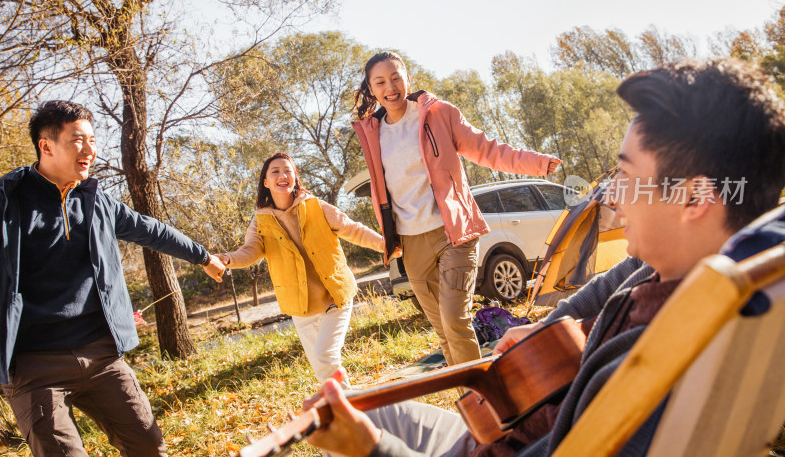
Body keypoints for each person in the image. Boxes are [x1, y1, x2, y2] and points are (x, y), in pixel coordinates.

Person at [304, 57, 785, 457]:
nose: (612, 197)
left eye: (625, 175)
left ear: (697, 199)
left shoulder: (654, 363)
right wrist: (542, 330)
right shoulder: (710, 272)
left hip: (499, 445)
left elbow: (485, 149)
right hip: (505, 409)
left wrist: (371, 450)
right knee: (376, 401)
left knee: (365, 418)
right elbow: (603, 286)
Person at [0, 100, 226, 456]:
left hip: (102, 357)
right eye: (77, 140)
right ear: (46, 145)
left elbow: (151, 230)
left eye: (93, 140)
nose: (90, 150)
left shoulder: (97, 202)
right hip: (34, 367)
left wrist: (203, 256)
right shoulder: (1, 203)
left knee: (149, 448)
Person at [352, 51, 562, 366]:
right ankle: (472, 402)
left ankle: (486, 400)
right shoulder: (372, 132)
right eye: (380, 81)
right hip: (411, 243)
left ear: (408, 78)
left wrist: (538, 163)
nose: (390, 86)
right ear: (371, 88)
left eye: (396, 77)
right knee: (443, 331)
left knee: (455, 320)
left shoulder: (438, 114)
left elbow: (487, 149)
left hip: (454, 233)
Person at [217, 152, 384, 387]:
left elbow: (351, 229)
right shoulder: (261, 221)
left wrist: (384, 244)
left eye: (288, 170)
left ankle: (351, 408)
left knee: (325, 358)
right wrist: (227, 259)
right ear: (265, 182)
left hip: (335, 297)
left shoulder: (315, 206)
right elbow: (250, 251)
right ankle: (349, 409)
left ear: (295, 176)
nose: (283, 175)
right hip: (301, 306)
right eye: (275, 171)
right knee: (324, 370)